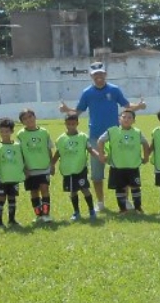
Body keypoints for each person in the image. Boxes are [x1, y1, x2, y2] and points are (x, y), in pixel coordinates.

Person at [59, 62, 146, 211]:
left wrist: (139, 106)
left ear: (105, 74)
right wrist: (67, 110)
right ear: (91, 76)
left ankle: (125, 201)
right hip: (95, 136)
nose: (98, 77)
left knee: (122, 169)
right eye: (95, 74)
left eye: (101, 73)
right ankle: (100, 203)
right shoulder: (87, 92)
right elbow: (78, 111)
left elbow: (126, 105)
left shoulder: (114, 90)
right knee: (97, 173)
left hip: (115, 136)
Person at [97, 109, 150, 213]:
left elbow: (145, 143)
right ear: (119, 119)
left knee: (135, 187)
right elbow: (100, 141)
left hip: (133, 165)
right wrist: (101, 154)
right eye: (124, 117)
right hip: (117, 166)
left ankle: (138, 208)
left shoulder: (137, 132)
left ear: (134, 120)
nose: (126, 119)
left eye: (130, 118)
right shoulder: (112, 131)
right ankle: (122, 209)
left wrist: (146, 157)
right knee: (120, 188)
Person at [51, 112, 99, 221]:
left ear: (77, 123)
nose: (71, 126)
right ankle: (76, 212)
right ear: (65, 124)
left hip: (80, 168)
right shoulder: (61, 139)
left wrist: (99, 156)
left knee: (85, 189)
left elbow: (90, 150)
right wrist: (52, 164)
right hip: (68, 169)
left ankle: (91, 210)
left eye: (73, 124)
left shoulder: (83, 137)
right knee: (73, 191)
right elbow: (58, 153)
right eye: (69, 124)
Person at [16, 108, 55, 222]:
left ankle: (46, 214)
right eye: (25, 119)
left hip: (44, 167)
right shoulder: (21, 135)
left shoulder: (44, 132)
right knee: (33, 192)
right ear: (22, 122)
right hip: (30, 169)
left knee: (44, 188)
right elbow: (19, 153)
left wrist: (52, 164)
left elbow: (49, 150)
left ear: (35, 117)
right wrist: (24, 168)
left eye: (30, 117)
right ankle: (38, 215)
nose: (28, 120)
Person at [0, 117, 26, 227]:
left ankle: (12, 219)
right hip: (1, 178)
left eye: (7, 131)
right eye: (2, 131)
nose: (5, 134)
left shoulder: (17, 146)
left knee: (12, 198)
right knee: (1, 198)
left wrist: (25, 170)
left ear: (12, 131)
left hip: (13, 177)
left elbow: (22, 160)